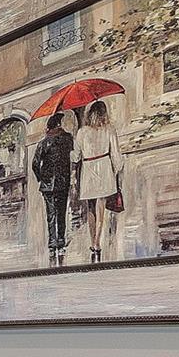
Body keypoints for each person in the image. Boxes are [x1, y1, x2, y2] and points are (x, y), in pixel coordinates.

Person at [72, 99, 124, 263]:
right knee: (101, 208)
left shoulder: (82, 132)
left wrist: (72, 158)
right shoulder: (109, 130)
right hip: (104, 169)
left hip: (88, 169)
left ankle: (92, 241)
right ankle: (96, 243)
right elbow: (116, 155)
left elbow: (76, 156)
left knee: (90, 209)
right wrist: (116, 170)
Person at [30, 113, 74, 267]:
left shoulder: (43, 143)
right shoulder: (68, 139)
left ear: (49, 126)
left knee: (51, 215)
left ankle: (52, 243)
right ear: (59, 125)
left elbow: (35, 164)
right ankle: (61, 243)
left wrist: (41, 178)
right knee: (61, 213)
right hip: (63, 182)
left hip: (48, 184)